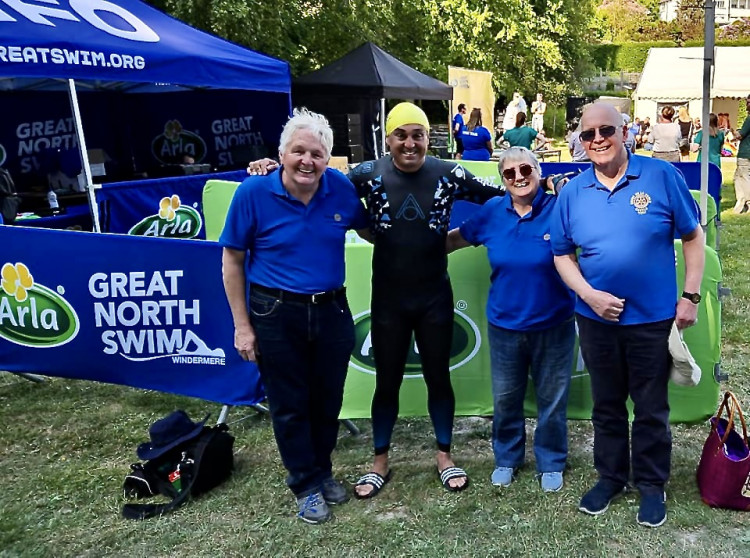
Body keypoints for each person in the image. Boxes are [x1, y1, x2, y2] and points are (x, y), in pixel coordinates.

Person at [551, 103, 705, 528]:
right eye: (588, 134)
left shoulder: (660, 176)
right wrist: (589, 295)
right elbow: (561, 254)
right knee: (607, 405)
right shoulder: (572, 192)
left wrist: (690, 296)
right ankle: (611, 477)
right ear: (580, 142)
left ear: (626, 133)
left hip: (652, 319)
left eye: (606, 130)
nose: (598, 139)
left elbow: (693, 236)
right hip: (596, 320)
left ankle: (652, 485)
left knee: (651, 406)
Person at [220, 108, 370, 524]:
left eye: (317, 154)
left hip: (332, 309)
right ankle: (304, 484)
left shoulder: (340, 189)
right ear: (282, 153)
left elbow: (375, 228)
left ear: (329, 159)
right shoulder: (252, 193)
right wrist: (242, 327)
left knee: (327, 401)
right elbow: (232, 261)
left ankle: (322, 472)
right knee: (289, 404)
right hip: (274, 311)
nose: (307, 161)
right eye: (298, 151)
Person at [446, 147, 575, 493]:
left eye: (525, 169)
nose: (518, 177)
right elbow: (457, 239)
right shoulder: (492, 212)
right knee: (505, 398)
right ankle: (507, 458)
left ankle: (550, 461)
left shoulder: (559, 207)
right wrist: (416, 249)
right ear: (502, 180)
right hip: (505, 325)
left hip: (554, 323)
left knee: (552, 398)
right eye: (509, 173)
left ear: (538, 171)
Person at [730, 95, 750, 214]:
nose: (747, 105)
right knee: (737, 178)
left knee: (744, 178)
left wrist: (733, 131)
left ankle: (748, 202)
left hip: (745, 152)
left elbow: (740, 135)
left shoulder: (749, 119)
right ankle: (740, 203)